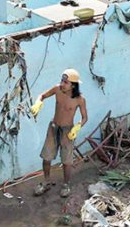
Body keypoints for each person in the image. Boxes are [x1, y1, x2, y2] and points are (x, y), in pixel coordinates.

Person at [31, 69, 88, 197]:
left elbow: (85, 117)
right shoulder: (57, 89)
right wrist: (38, 102)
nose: (62, 84)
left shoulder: (79, 99)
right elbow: (43, 95)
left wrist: (77, 128)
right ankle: (46, 182)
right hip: (53, 127)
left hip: (68, 131)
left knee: (67, 160)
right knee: (46, 157)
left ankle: (66, 185)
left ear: (73, 85)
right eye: (62, 80)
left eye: (65, 82)